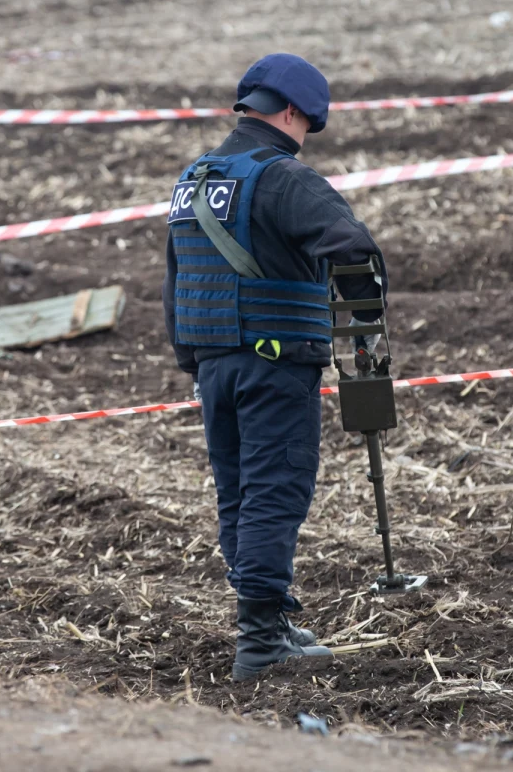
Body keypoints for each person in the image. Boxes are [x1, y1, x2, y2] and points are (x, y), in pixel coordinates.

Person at [161, 53, 387, 681]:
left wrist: (194, 360)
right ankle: (260, 643)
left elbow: (176, 280)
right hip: (276, 365)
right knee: (274, 492)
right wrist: (368, 330)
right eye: (308, 125)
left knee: (238, 492)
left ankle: (265, 620)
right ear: (291, 112)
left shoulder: (194, 179)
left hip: (215, 366)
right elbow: (356, 250)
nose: (305, 137)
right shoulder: (284, 178)